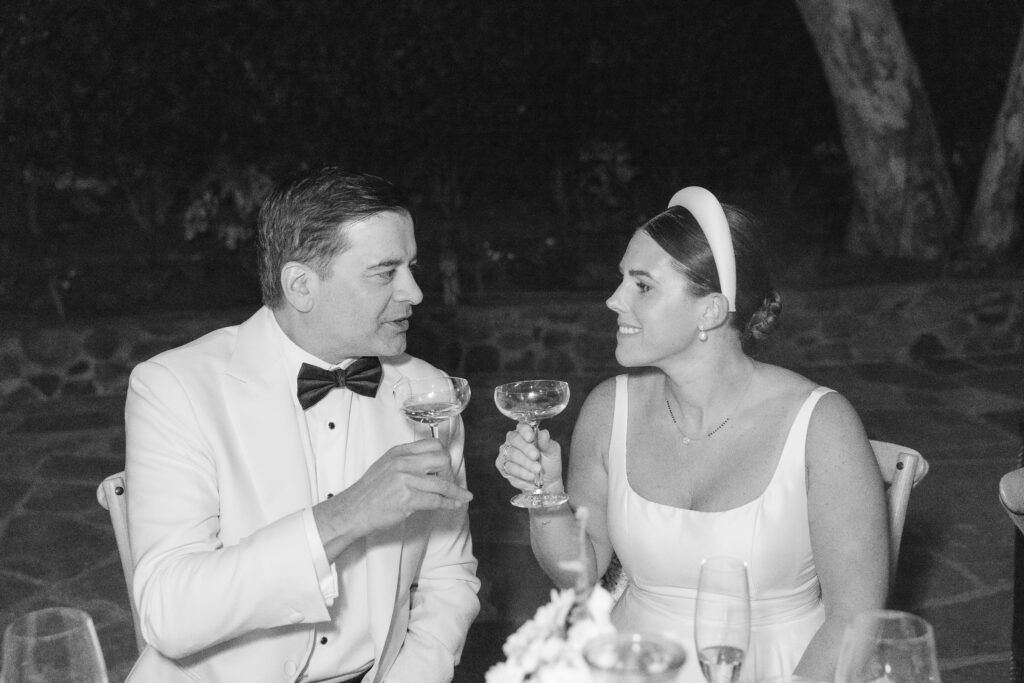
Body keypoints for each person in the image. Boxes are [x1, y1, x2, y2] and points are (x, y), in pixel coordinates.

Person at [495, 187, 888, 682]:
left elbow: (855, 619)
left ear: (710, 311)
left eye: (642, 286)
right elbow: (579, 573)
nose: (614, 300)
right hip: (632, 664)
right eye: (622, 280)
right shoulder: (608, 408)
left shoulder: (822, 425)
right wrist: (546, 495)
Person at [124, 167, 480, 683]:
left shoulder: (429, 395)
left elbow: (448, 578)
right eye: (385, 272)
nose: (416, 292)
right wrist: (346, 516)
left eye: (412, 267)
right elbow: (170, 614)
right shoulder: (175, 387)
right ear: (301, 285)